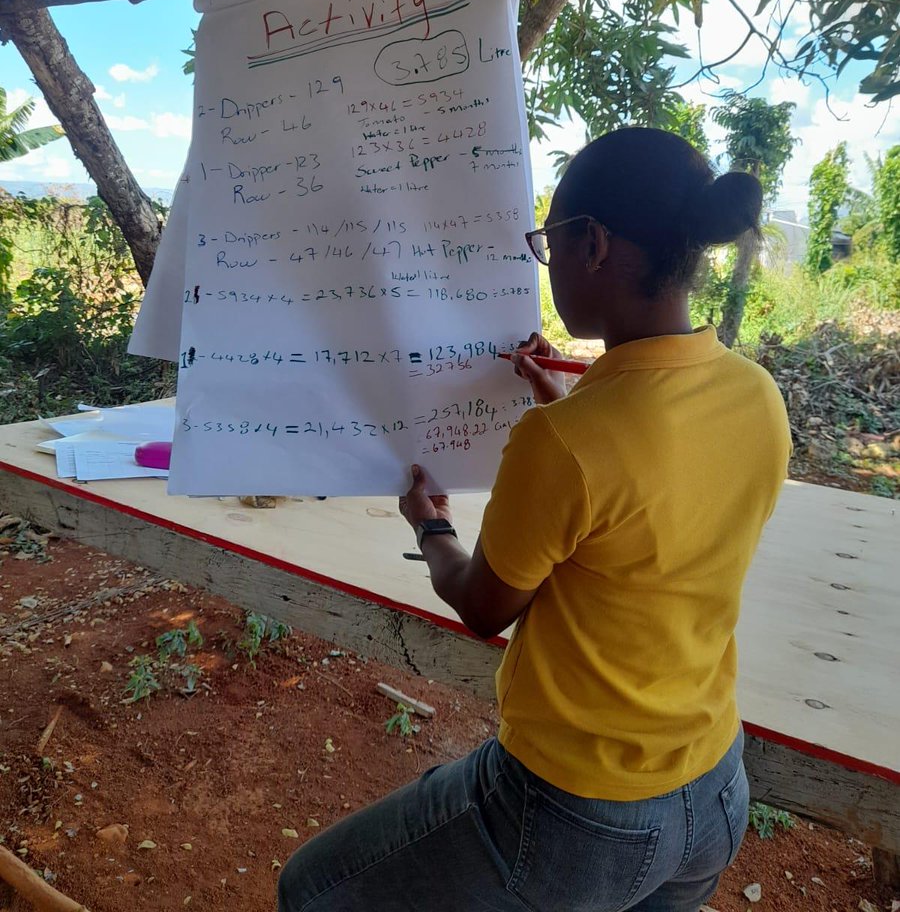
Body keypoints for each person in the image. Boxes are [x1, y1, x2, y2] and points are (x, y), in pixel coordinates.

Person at [278, 126, 792, 912]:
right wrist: (566, 400)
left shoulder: (566, 444)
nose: (545, 267)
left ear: (593, 245)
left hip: (578, 811)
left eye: (547, 245)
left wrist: (431, 525)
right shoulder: (756, 395)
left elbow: (484, 606)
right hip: (715, 788)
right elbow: (645, 499)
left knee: (311, 889)